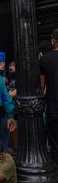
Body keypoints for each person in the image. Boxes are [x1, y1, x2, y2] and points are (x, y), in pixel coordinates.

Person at [40, 28, 58, 163]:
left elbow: (42, 86)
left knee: (54, 140)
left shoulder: (45, 59)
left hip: (53, 105)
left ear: (54, 41)